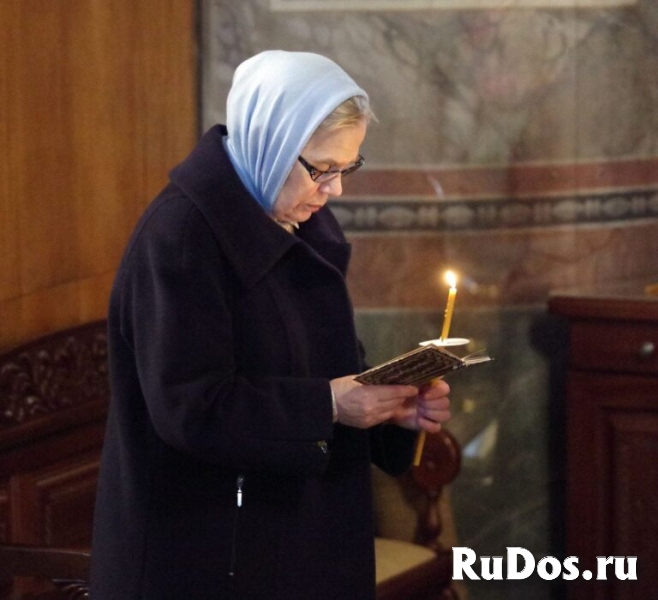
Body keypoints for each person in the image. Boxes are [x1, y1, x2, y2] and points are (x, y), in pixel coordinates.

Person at [90, 50, 451, 600]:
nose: (335, 190)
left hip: (296, 538)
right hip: (205, 553)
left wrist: (391, 412)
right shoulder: (182, 236)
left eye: (346, 168)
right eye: (322, 169)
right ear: (272, 142)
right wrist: (329, 406)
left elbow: (330, 368)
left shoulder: (302, 225)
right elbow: (191, 408)